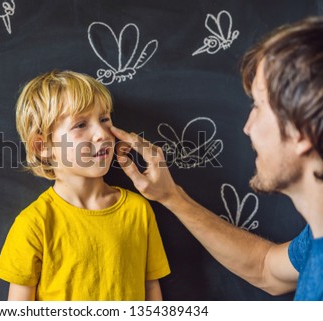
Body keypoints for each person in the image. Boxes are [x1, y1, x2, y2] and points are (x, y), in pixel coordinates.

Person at [110, 16, 323, 300]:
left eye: (258, 106)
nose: (247, 127)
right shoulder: (314, 242)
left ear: (302, 130)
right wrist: (171, 196)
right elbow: (265, 268)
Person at [0, 70, 170, 300]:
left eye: (105, 119)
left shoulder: (138, 210)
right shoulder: (34, 224)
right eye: (80, 124)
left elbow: (150, 289)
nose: (101, 134)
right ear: (42, 146)